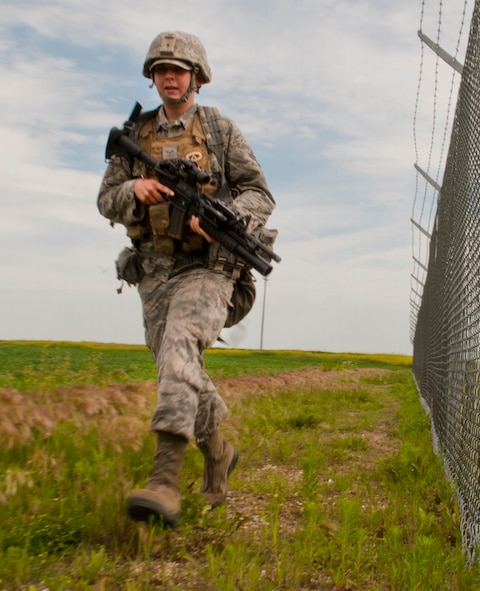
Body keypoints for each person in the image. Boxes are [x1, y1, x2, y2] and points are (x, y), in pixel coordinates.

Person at [98, 31, 276, 528]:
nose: (170, 76)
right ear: (152, 76)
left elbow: (260, 193)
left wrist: (225, 216)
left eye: (179, 69)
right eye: (161, 69)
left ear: (197, 76)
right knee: (174, 364)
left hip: (210, 266)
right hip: (154, 270)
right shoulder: (135, 135)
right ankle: (218, 451)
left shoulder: (219, 129)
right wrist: (136, 187)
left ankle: (164, 481)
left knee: (180, 344)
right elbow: (106, 198)